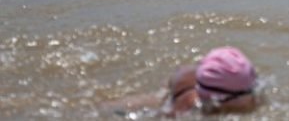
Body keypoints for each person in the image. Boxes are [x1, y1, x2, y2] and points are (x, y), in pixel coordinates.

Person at [102, 46, 261, 118]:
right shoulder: (187, 109)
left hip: (195, 73)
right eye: (247, 93)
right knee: (157, 102)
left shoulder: (248, 91)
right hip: (179, 84)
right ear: (220, 99)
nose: (253, 96)